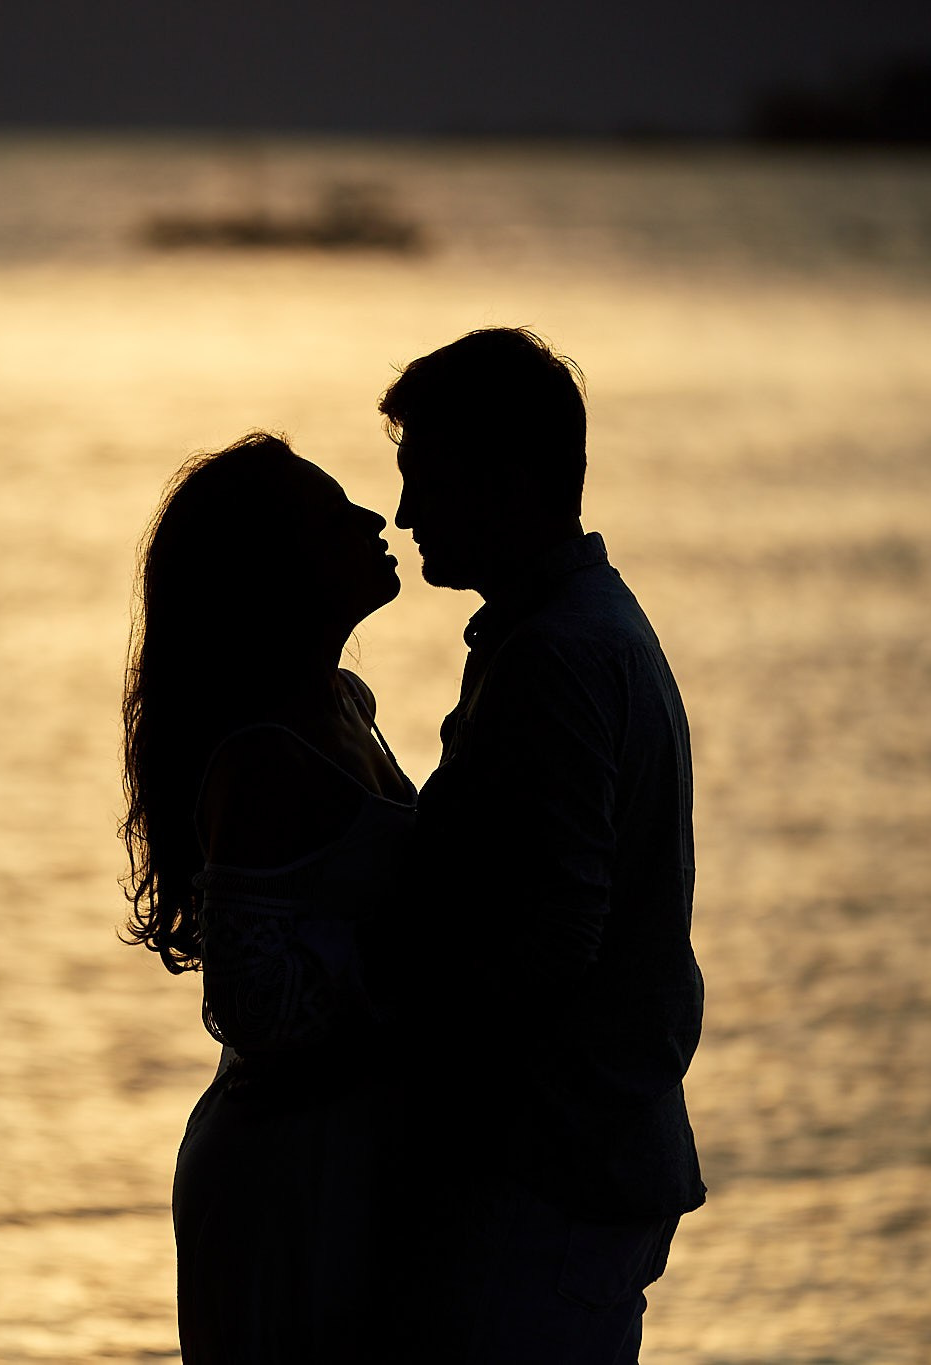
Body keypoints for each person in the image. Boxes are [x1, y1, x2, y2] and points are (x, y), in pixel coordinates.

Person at [382, 328, 704, 1362]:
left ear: (507, 479)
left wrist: (410, 1061)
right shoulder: (573, 632)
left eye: (425, 479)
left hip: (552, 1170)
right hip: (579, 1155)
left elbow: (555, 939)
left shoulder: (557, 658)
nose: (404, 513)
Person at [120, 432, 421, 1363]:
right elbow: (249, 1003)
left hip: (346, 1157)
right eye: (339, 517)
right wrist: (421, 983)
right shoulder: (259, 760)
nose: (376, 521)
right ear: (281, 567)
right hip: (287, 1177)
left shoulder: (344, 702)